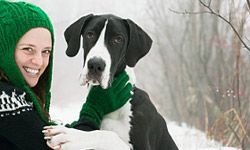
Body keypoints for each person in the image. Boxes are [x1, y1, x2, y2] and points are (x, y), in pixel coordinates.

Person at [0, 1, 132, 149]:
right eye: (28, 49)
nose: (38, 61)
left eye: (46, 51)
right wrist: (93, 111)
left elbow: (43, 137)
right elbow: (51, 146)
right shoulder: (5, 99)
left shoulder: (17, 97)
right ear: (4, 48)